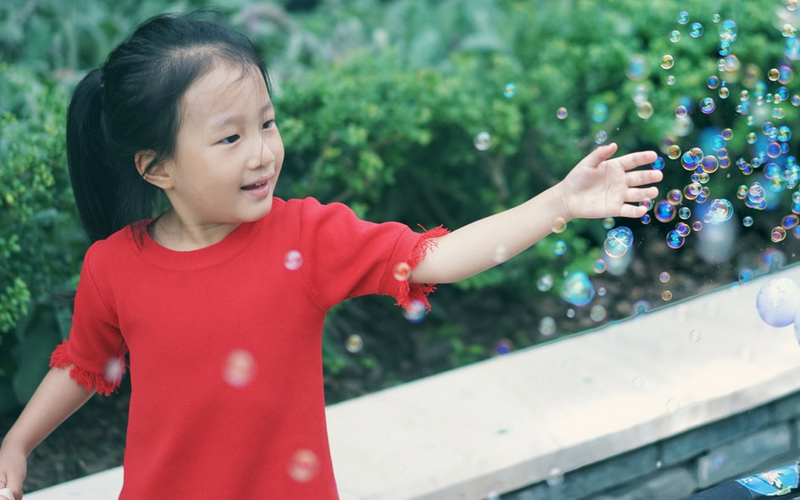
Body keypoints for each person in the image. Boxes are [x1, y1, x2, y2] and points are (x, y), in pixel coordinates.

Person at [0, 10, 662, 500]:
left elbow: (435, 257)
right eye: (229, 138)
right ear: (157, 167)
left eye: (267, 122)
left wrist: (557, 204)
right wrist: (19, 442)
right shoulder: (116, 266)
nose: (263, 151)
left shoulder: (306, 238)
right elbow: (85, 365)